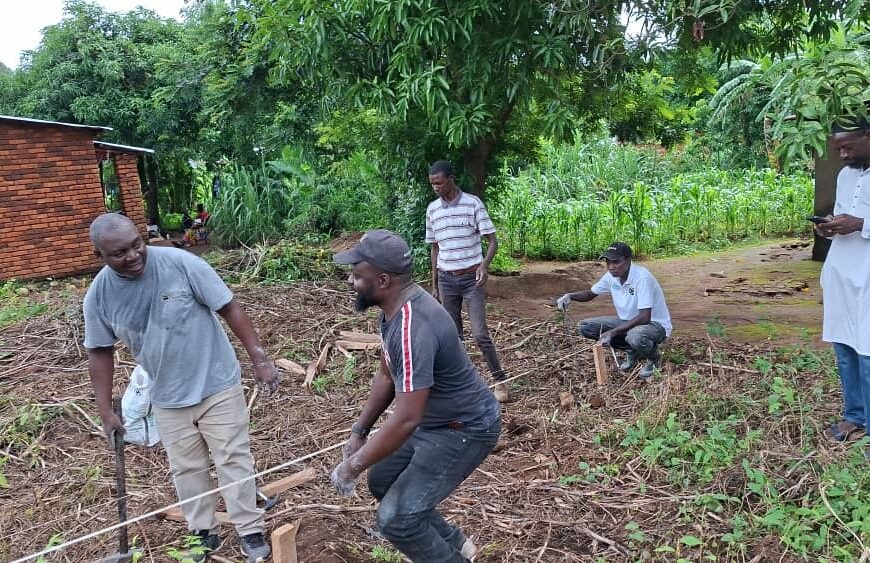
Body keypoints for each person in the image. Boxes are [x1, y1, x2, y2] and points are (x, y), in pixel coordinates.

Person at [82, 213, 279, 563]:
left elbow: (229, 307)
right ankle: (202, 533)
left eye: (136, 245)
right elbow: (99, 350)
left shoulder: (181, 263)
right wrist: (105, 411)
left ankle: (249, 529)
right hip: (167, 394)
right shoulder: (100, 295)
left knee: (232, 457)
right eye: (119, 253)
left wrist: (259, 359)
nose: (132, 256)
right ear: (100, 255)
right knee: (186, 467)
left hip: (216, 381)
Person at [329, 230, 501, 563]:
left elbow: (407, 418)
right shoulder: (393, 311)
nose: (351, 282)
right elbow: (386, 374)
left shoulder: (413, 327)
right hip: (435, 421)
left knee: (397, 519)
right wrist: (359, 432)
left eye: (357, 275)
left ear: (382, 280)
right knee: (381, 480)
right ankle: (453, 542)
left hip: (465, 428)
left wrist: (350, 467)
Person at [425, 160, 509, 402]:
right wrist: (434, 285)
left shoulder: (473, 204)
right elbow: (434, 249)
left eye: (439, 182)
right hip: (446, 279)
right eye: (432, 184)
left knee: (480, 334)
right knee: (453, 336)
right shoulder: (432, 210)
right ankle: (461, 385)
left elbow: (492, 241)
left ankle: (500, 380)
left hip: (472, 278)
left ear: (451, 179)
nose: (436, 187)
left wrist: (484, 266)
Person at [816, 119, 870, 457]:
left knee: (868, 352)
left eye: (848, 146)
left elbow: (858, 221)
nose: (843, 153)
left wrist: (861, 223)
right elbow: (841, 216)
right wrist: (830, 227)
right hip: (841, 274)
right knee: (845, 348)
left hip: (868, 278)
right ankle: (855, 416)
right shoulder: (845, 175)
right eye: (838, 148)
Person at [556, 242, 672, 379]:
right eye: (608, 262)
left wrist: (614, 331)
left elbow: (645, 317)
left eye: (616, 262)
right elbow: (591, 293)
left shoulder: (642, 278)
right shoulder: (611, 277)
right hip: (628, 322)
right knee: (586, 327)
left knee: (635, 336)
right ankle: (633, 350)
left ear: (628, 260)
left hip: (654, 325)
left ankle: (654, 358)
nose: (611, 267)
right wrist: (570, 296)